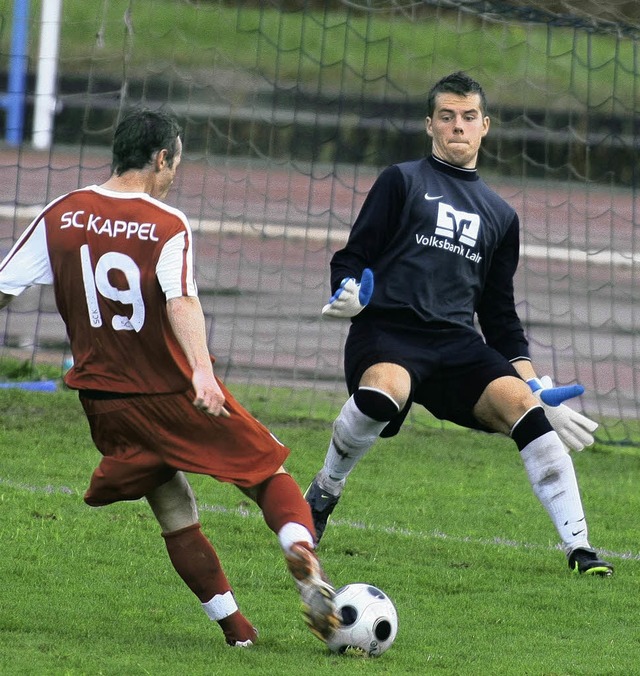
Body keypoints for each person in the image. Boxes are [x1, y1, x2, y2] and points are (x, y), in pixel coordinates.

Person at [0, 108, 339, 647]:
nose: (175, 172)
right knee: (267, 472)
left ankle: (239, 633)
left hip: (103, 404)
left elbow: (3, 287)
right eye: (176, 161)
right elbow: (181, 298)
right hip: (171, 390)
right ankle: (301, 550)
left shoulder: (62, 213)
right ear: (161, 158)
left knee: (173, 505)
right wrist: (204, 374)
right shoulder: (167, 223)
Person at [305, 71, 613, 576]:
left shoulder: (500, 215)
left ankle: (581, 549)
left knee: (525, 410)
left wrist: (532, 383)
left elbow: (498, 315)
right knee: (386, 390)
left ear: (485, 126)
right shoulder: (401, 180)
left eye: (468, 117)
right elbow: (352, 255)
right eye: (446, 116)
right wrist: (348, 292)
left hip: (455, 343)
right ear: (430, 124)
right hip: (388, 332)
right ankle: (325, 490)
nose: (457, 126)